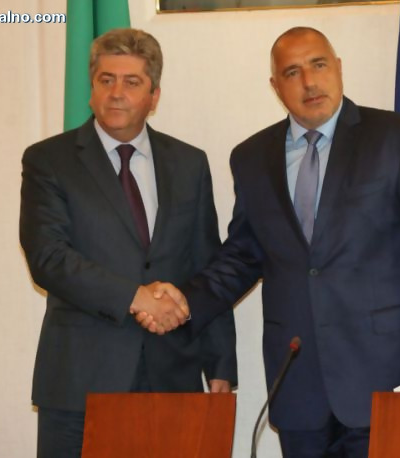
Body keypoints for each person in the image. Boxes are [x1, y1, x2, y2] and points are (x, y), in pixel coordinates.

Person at [141, 26, 400, 457]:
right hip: (298, 382)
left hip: (387, 374)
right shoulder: (251, 157)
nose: (310, 82)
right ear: (276, 86)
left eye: (318, 65)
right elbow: (243, 256)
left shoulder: (397, 138)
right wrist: (185, 301)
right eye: (292, 72)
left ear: (338, 68)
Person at [19, 28, 237, 458]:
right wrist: (136, 297)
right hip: (81, 381)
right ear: (91, 90)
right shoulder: (49, 160)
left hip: (172, 376)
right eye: (106, 79)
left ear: (154, 96)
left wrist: (221, 365)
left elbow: (206, 264)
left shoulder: (189, 163)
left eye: (132, 82)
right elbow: (49, 257)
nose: (116, 93)